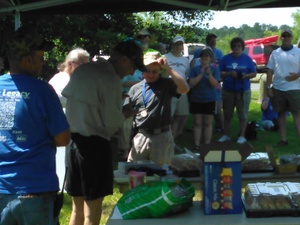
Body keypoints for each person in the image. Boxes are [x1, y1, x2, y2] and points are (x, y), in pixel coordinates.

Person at [61, 39, 146, 225]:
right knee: (93, 210)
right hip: (94, 146)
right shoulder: (111, 79)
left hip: (72, 144)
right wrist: (124, 113)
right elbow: (110, 123)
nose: (132, 72)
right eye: (133, 66)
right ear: (124, 60)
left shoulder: (84, 70)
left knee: (77, 207)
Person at [0, 26, 70, 224]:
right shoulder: (43, 91)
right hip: (34, 188)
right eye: (40, 57)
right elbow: (63, 138)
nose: (42, 63)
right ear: (27, 60)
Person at [126, 51, 190, 165]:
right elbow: (126, 112)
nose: (150, 74)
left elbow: (185, 89)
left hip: (161, 137)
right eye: (147, 71)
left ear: (160, 70)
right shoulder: (135, 88)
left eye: (154, 71)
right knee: (134, 171)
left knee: (160, 174)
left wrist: (169, 69)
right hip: (141, 135)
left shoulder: (167, 84)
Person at [218, 37, 257, 144]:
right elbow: (219, 72)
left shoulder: (247, 59)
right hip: (228, 90)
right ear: (231, 47)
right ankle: (226, 134)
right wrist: (229, 74)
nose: (236, 48)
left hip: (243, 90)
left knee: (243, 114)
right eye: (234, 46)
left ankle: (242, 136)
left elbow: (254, 73)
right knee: (227, 114)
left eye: (239, 46)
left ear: (243, 47)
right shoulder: (225, 59)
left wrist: (245, 75)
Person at [266, 29, 300, 146]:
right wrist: (269, 87)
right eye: (284, 36)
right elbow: (269, 71)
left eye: (288, 36)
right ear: (281, 38)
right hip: (278, 88)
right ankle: (283, 140)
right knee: (281, 114)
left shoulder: (298, 51)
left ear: (292, 37)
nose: (286, 38)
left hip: (294, 88)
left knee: (297, 114)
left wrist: (297, 75)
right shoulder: (275, 53)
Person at [191, 33, 224, 133]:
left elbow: (222, 67)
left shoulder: (219, 53)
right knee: (200, 112)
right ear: (207, 41)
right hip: (199, 87)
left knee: (217, 108)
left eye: (214, 40)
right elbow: (194, 63)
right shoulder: (199, 52)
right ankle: (198, 128)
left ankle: (221, 127)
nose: (212, 42)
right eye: (210, 40)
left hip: (214, 82)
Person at [188, 47, 220, 150]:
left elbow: (215, 84)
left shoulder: (214, 69)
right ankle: (196, 144)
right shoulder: (194, 69)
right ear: (200, 58)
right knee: (197, 122)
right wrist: (201, 75)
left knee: (207, 122)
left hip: (210, 99)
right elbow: (191, 83)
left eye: (207, 56)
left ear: (210, 58)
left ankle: (207, 144)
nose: (205, 58)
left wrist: (209, 75)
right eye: (203, 56)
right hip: (196, 99)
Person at [164, 36, 190, 141]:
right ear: (173, 45)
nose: (178, 46)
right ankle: (165, 137)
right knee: (168, 116)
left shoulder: (185, 60)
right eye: (177, 44)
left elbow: (186, 74)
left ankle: (172, 139)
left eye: (180, 44)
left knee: (179, 115)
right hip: (169, 88)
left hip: (182, 89)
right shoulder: (166, 57)